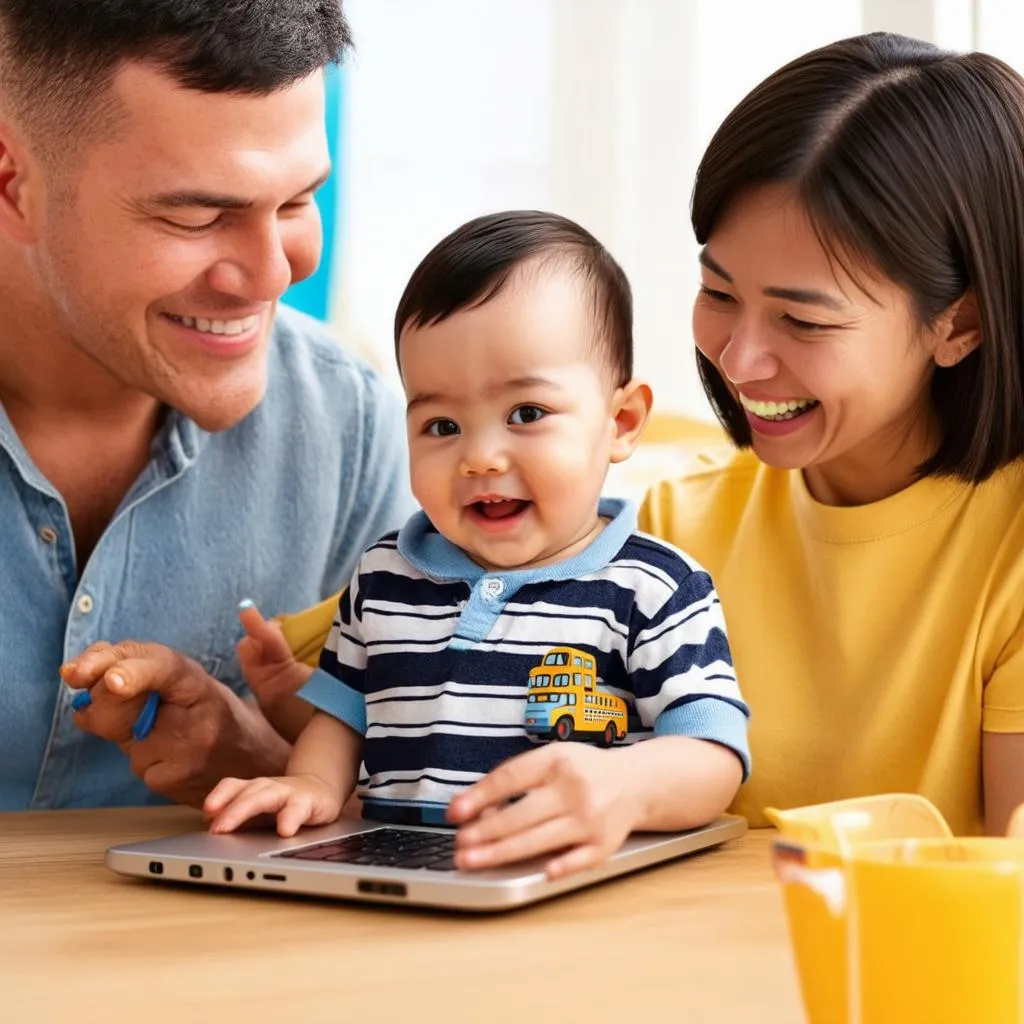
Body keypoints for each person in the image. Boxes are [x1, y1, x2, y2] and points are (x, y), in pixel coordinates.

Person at [203, 211, 750, 878]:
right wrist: (313, 787)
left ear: (621, 422)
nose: (480, 457)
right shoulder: (385, 577)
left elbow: (714, 753)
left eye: (526, 414)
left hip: (570, 874)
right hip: (399, 870)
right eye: (441, 424)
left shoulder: (655, 587)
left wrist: (628, 787)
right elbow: (343, 717)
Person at [1, 1, 413, 811]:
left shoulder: (348, 426)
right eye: (196, 214)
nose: (270, 274)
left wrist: (257, 757)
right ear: (13, 185)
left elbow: (423, 795)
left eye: (297, 202)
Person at [639, 31, 1024, 836]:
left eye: (802, 319)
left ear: (961, 324)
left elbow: (1006, 903)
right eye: (718, 290)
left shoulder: (1010, 556)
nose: (740, 358)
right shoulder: (671, 534)